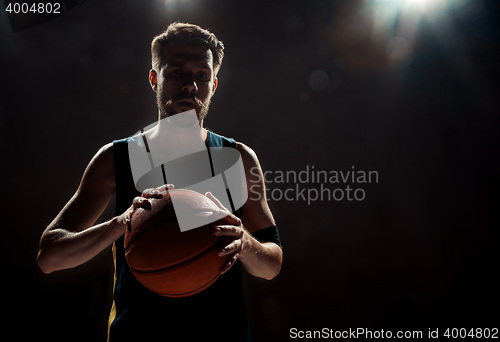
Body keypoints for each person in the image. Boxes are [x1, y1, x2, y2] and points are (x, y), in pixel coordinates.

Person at [36, 22, 283, 341]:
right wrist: (118, 224)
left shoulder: (238, 158)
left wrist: (246, 243)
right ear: (154, 79)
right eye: (178, 72)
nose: (191, 85)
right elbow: (49, 257)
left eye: (202, 75)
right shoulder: (117, 157)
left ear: (214, 84)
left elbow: (272, 263)